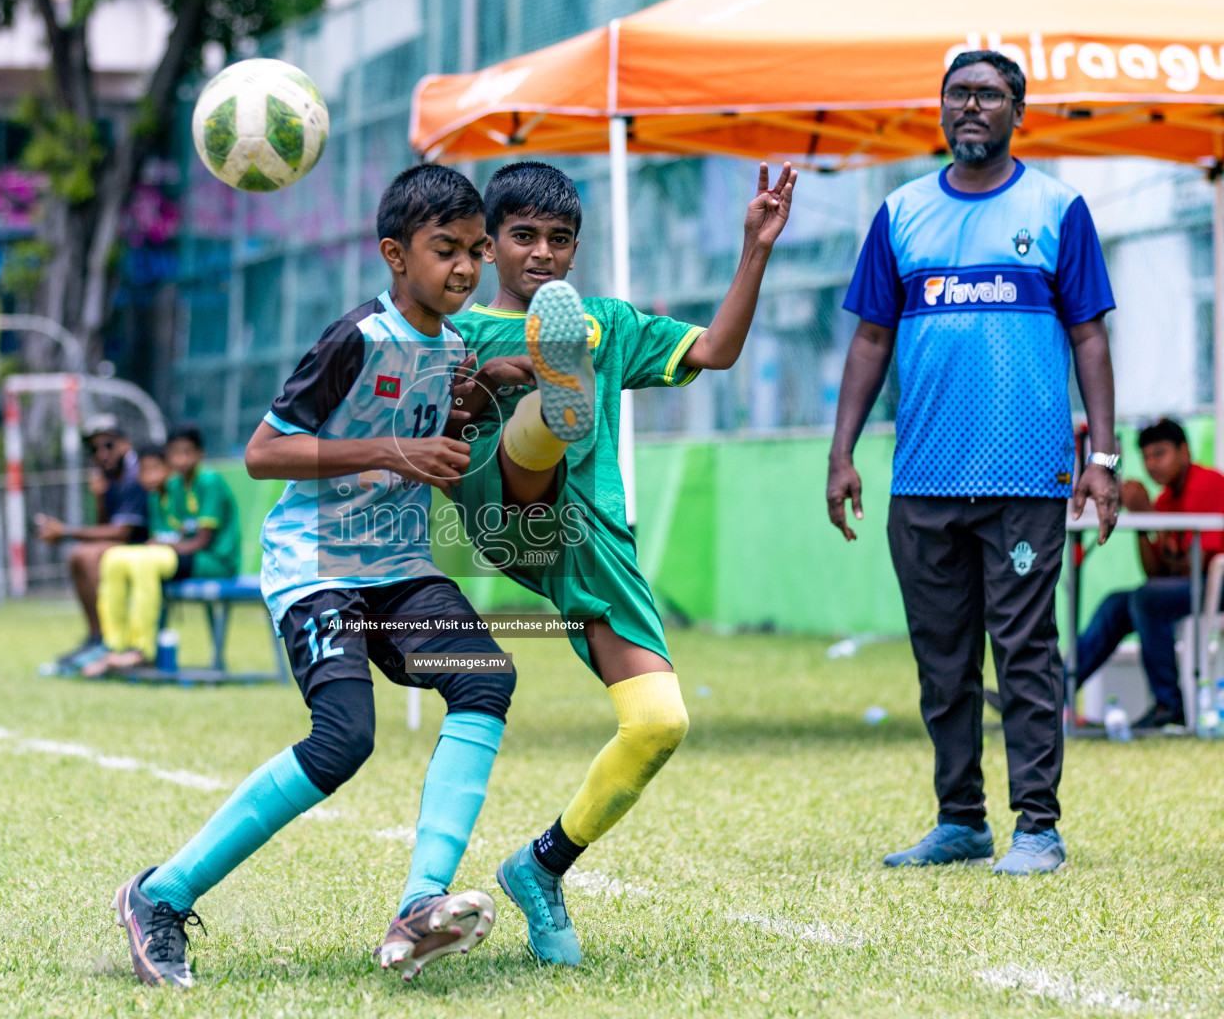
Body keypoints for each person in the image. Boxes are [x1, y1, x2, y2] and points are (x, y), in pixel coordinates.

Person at [112, 164, 515, 987]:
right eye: (447, 250)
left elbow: (428, 430)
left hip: (398, 567)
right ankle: (160, 895)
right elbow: (264, 454)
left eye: (476, 251)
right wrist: (394, 450)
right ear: (395, 255)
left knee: (484, 678)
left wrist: (472, 408)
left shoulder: (455, 345)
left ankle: (421, 902)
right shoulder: (353, 339)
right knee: (343, 742)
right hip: (317, 567)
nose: (467, 269)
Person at [442, 158, 795, 965]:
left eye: (559, 239)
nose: (542, 252)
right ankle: (548, 405)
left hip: (595, 541)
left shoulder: (605, 320)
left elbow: (716, 350)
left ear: (575, 250)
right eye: (523, 236)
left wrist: (756, 248)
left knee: (660, 724)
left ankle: (540, 868)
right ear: (488, 246)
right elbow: (421, 421)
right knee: (537, 441)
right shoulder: (454, 331)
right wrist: (476, 391)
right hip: (506, 505)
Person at [825, 50, 1120, 876]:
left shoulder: (1058, 207)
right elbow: (871, 338)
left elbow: (1089, 334)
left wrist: (1102, 454)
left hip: (1026, 478)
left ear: (1017, 109)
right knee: (942, 661)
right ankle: (961, 820)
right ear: (942, 109)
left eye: (989, 94)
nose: (972, 106)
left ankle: (1038, 827)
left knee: (1026, 651)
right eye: (958, 94)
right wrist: (841, 453)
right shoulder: (901, 213)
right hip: (921, 480)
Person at [1075, 418, 1224, 729]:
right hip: (1193, 585)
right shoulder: (1165, 498)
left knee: (1146, 599)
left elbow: (1192, 566)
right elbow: (1156, 573)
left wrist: (1148, 515)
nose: (1152, 464)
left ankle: (1169, 706)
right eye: (1146, 456)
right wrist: (1143, 524)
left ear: (1184, 451)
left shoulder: (1209, 484)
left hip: (1217, 584)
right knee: (1120, 602)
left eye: (1160, 453)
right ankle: (1056, 687)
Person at [83, 428, 241, 676]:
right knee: (113, 558)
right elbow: (170, 534)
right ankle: (113, 645)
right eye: (175, 454)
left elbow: (199, 540)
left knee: (146, 562)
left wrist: (162, 547)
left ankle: (142, 650)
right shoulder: (173, 485)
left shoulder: (209, 481)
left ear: (200, 454)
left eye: (187, 453)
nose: (181, 460)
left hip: (213, 560)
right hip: (182, 555)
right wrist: (159, 546)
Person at [36, 415, 149, 669]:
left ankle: (110, 638)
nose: (101, 454)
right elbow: (105, 525)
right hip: (126, 547)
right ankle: (97, 636)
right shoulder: (110, 477)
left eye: (108, 445)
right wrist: (100, 497)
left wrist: (65, 531)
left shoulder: (135, 474)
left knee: (87, 556)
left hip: (148, 547)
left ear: (125, 444)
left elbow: (121, 533)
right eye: (94, 449)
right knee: (79, 555)